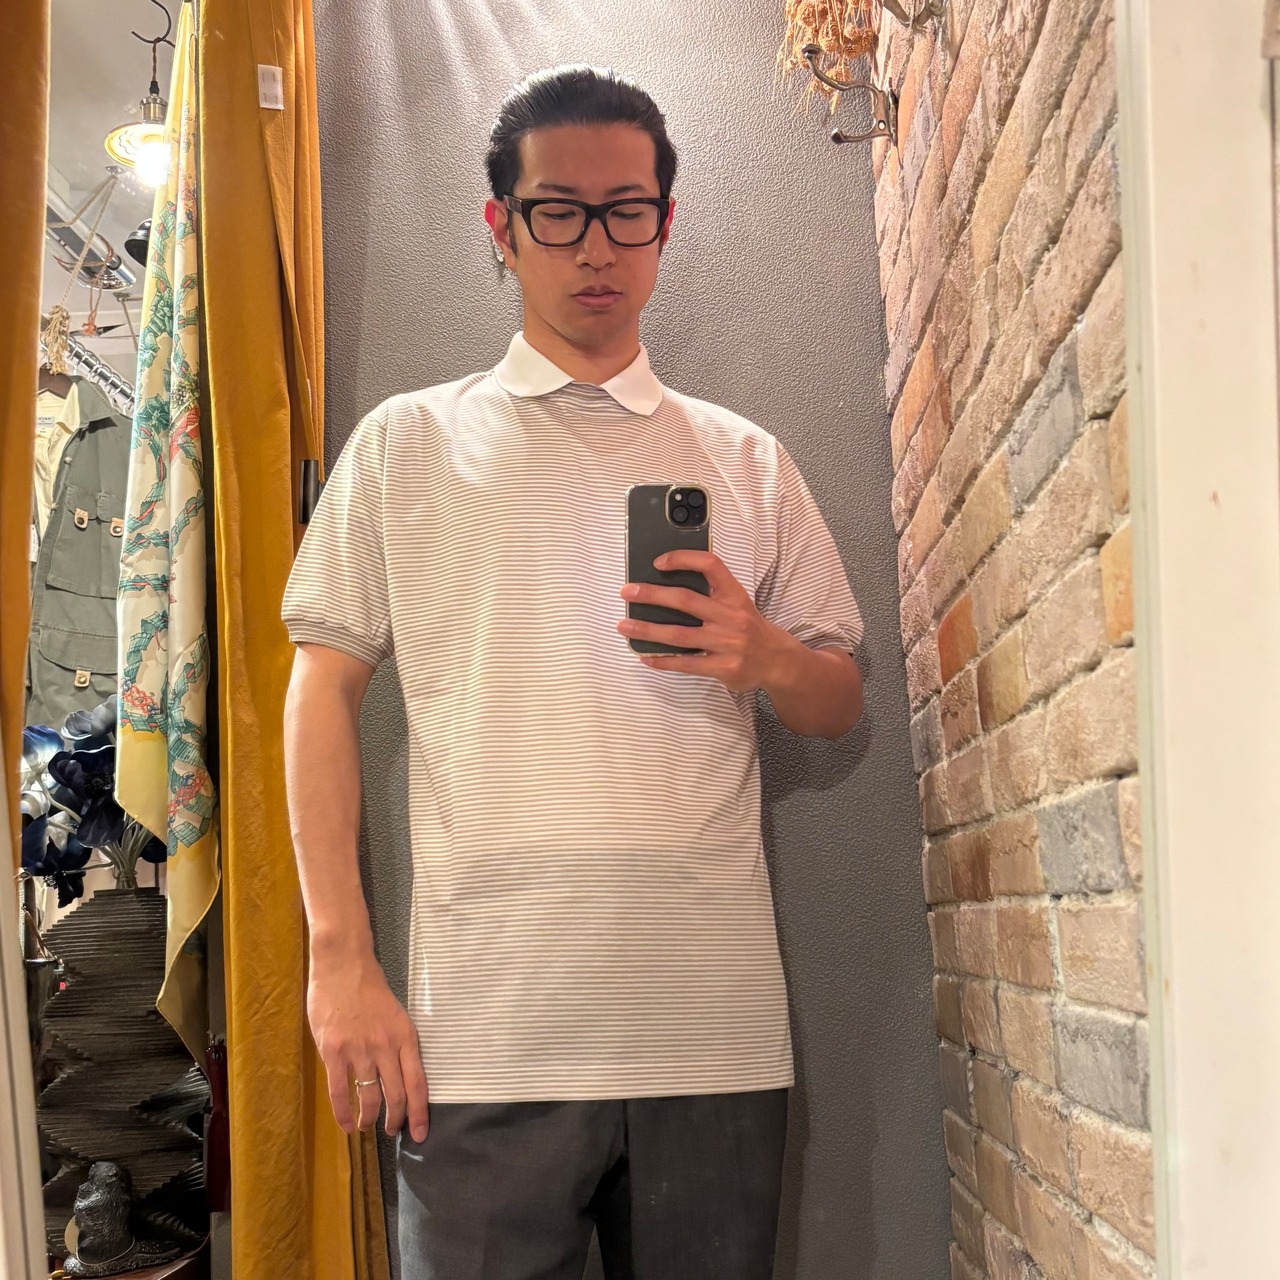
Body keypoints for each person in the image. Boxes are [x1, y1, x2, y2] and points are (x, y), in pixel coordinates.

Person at [282, 64, 864, 1280]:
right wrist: (338, 955)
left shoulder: (745, 459)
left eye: (626, 211)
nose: (596, 246)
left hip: (710, 1033)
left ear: (665, 223)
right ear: (501, 226)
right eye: (559, 212)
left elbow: (838, 697)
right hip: (480, 1038)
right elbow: (320, 687)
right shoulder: (404, 444)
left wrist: (764, 655)